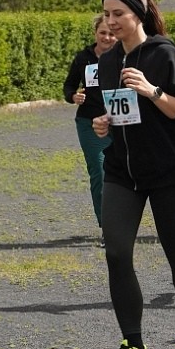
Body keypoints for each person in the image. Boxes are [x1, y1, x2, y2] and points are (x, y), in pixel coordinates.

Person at [90, 0, 175, 349]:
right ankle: (134, 347)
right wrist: (104, 123)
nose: (111, 22)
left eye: (118, 14)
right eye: (106, 14)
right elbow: (115, 111)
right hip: (122, 170)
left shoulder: (164, 53)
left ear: (137, 15)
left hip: (170, 169)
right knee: (116, 252)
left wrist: (151, 91)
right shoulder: (107, 62)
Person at [63, 14, 118, 240]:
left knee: (125, 175)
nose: (107, 37)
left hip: (120, 122)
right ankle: (108, 228)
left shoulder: (125, 56)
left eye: (111, 34)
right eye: (102, 32)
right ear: (95, 33)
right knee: (100, 173)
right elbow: (68, 86)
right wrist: (73, 96)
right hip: (89, 123)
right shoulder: (83, 58)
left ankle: (124, 223)